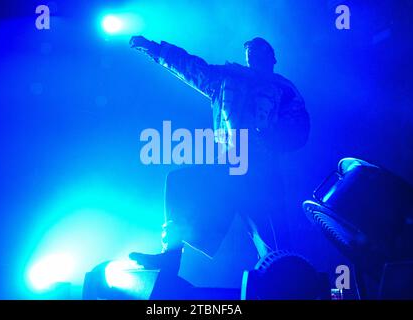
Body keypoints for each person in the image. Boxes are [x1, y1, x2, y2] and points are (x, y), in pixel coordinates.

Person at [128, 36, 310, 275]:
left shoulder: (283, 89)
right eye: (251, 54)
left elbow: (300, 127)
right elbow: (190, 67)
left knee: (272, 241)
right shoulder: (227, 79)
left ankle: (288, 283)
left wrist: (272, 137)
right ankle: (170, 257)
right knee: (179, 181)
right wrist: (155, 50)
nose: (254, 58)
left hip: (261, 173)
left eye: (261, 53)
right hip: (229, 166)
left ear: (273, 58)